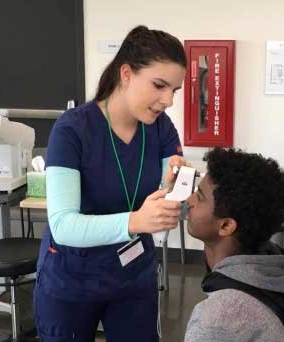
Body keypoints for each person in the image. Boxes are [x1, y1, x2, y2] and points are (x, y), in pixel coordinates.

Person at [34, 25, 187, 342]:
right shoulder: (73, 130)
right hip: (72, 279)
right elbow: (63, 225)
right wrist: (135, 221)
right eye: (159, 86)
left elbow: (168, 200)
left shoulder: (160, 128)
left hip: (133, 277)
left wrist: (176, 189)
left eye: (174, 90)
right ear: (127, 73)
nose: (168, 100)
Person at [184, 147, 284, 342]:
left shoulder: (216, 319)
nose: (189, 200)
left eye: (200, 197)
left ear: (226, 225)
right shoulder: (276, 267)